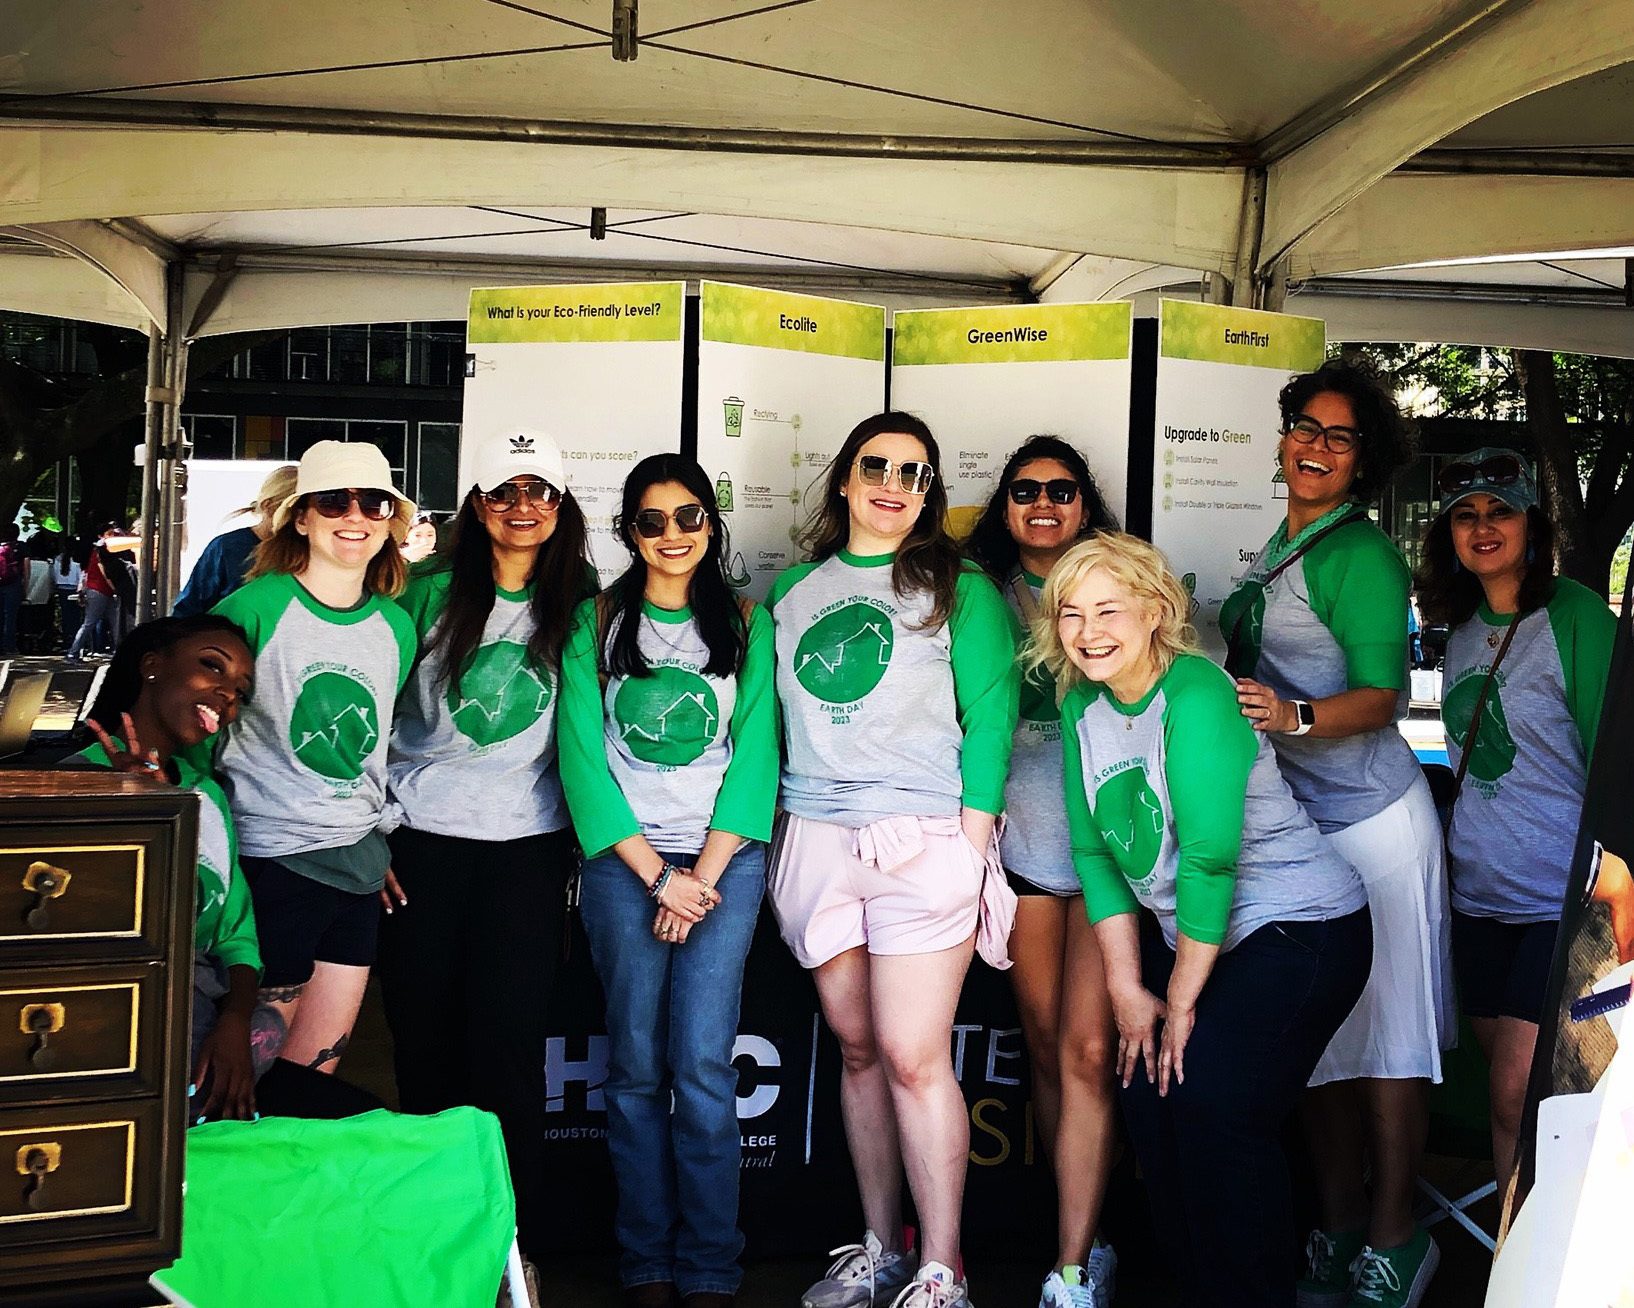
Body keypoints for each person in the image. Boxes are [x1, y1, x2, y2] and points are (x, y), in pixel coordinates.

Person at [1033, 531, 1371, 1308]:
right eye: (1071, 615)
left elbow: (1210, 859)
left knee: (1213, 1099)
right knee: (1150, 1100)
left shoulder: (1197, 692)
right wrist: (1125, 989)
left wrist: (1178, 1000)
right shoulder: (1083, 701)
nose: (1089, 633)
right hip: (1196, 935)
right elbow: (1095, 855)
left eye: (1108, 610)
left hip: (1301, 925)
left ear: (1154, 611)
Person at [768, 412, 1018, 1308]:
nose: (893, 484)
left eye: (914, 473)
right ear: (844, 479)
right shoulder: (792, 591)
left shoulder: (962, 587)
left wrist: (970, 848)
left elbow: (990, 718)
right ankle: (877, 1249)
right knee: (860, 1050)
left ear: (929, 492)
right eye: (876, 466)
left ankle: (942, 1267)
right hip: (817, 835)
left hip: (923, 839)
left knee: (916, 1055)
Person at [1217, 359, 1452, 1307]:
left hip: (1376, 821)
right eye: (1304, 429)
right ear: (1282, 440)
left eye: (1339, 437)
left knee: (1390, 1036)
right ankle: (1341, 1222)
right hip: (1299, 831)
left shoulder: (1361, 554)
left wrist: (1293, 717)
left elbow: (1383, 696)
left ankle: (1399, 1237)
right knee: (1316, 1035)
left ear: (1366, 461)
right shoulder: (1278, 542)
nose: (1315, 447)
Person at [559, 453, 778, 1308]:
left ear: (711, 525)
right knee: (638, 1067)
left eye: (689, 517)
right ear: (629, 532)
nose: (673, 535)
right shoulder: (595, 624)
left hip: (724, 866)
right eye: (652, 521)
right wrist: (658, 879)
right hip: (626, 867)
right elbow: (581, 761)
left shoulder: (747, 624)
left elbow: (756, 757)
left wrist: (702, 877)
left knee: (701, 1064)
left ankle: (713, 1266)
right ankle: (646, 1260)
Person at [377, 429, 593, 1263]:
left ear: (563, 505)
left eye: (540, 490)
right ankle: (435, 1246)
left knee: (509, 1061)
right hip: (421, 849)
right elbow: (372, 708)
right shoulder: (425, 593)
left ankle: (509, 1247)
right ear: (475, 503)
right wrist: (376, 835)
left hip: (526, 855)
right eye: (504, 491)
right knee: (424, 1052)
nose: (522, 507)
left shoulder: (583, 598)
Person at [1414, 449, 1614, 1187]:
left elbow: (1614, 763)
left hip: (1556, 901)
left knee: (1517, 1096)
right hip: (1476, 902)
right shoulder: (1463, 626)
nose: (1483, 526)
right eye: (1465, 516)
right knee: (1510, 1107)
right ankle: (1510, 1263)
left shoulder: (1578, 617)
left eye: (1500, 510)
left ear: (1532, 523)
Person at [965, 436, 1121, 1308]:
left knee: (1092, 1051)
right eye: (1025, 490)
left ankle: (1074, 1265)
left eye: (1061, 490)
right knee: (1050, 1052)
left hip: (1107, 853)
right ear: (1006, 505)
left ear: (1084, 503)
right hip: (1021, 848)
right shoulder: (978, 595)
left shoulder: (1120, 589)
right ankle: (1082, 1237)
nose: (1043, 503)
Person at [205, 440, 415, 1083]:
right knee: (246, 1077)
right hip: (273, 866)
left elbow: (369, 751)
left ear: (389, 521)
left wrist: (368, 842)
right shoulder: (251, 609)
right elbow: (199, 731)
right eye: (333, 501)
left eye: (373, 502)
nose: (354, 516)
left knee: (313, 1073)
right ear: (301, 517)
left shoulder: (397, 626)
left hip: (356, 869)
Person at [75, 614, 264, 1122]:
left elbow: (235, 935)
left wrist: (237, 1022)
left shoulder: (207, 796)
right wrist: (130, 810)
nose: (227, 695)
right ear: (153, 666)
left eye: (241, 690)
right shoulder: (69, 784)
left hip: (204, 1010)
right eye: (212, 668)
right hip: (113, 1022)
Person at [173, 465, 299, 617]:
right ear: (269, 506)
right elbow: (187, 610)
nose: (303, 518)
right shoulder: (228, 547)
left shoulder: (313, 551)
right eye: (294, 509)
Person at [66, 530, 120, 660]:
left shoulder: (96, 551)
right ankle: (73, 653)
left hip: (101, 590)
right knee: (90, 623)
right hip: (99, 590)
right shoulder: (101, 552)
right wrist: (115, 588)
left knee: (115, 622)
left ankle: (120, 651)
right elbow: (105, 573)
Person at [0, 522, 24, 654]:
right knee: (10, 617)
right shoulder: (20, 547)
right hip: (13, 585)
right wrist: (24, 586)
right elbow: (26, 567)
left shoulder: (1, 548)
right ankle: (9, 646)